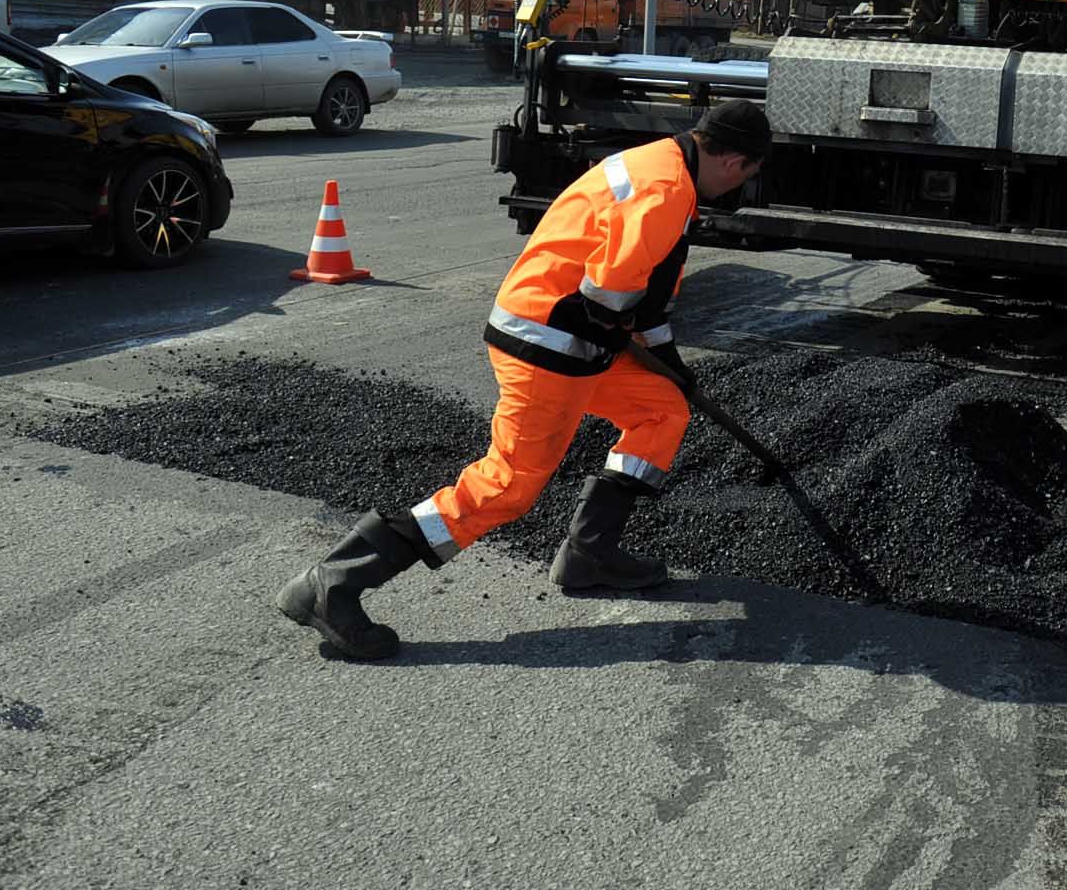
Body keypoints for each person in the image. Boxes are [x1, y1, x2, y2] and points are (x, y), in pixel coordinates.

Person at [275, 99, 774, 660]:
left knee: (661, 409)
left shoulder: (658, 161)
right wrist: (624, 330)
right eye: (748, 175)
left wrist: (669, 363)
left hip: (569, 334)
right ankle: (334, 582)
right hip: (549, 344)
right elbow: (609, 298)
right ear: (735, 162)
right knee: (508, 485)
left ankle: (590, 552)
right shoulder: (666, 191)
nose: (738, 187)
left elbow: (642, 300)